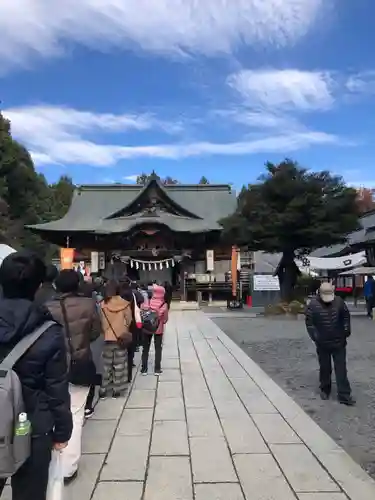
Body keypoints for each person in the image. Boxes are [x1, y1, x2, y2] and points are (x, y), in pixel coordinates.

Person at [0, 251, 72, 500]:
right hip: (32, 425)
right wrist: (62, 430)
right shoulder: (48, 331)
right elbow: (56, 387)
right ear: (39, 286)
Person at [46, 269, 101, 483]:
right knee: (76, 414)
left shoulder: (47, 307)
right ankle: (69, 467)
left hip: (53, 365)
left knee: (53, 412)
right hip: (80, 363)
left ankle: (53, 460)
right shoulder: (88, 305)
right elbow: (96, 332)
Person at [305, 282, 355, 406]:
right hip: (322, 343)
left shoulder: (339, 302)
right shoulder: (313, 305)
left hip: (339, 341)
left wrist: (346, 331)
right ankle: (325, 389)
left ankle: (344, 394)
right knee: (325, 368)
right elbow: (309, 323)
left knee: (341, 369)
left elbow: (345, 317)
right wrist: (316, 337)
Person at [99, 280, 132, 399]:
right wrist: (123, 328)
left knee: (106, 365)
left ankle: (103, 389)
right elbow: (129, 320)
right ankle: (116, 390)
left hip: (107, 338)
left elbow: (100, 322)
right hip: (120, 338)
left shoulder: (102, 304)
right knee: (119, 365)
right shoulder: (125, 304)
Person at [141, 284, 169, 376]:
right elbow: (165, 320)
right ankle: (157, 369)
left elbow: (142, 313)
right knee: (158, 348)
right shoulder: (164, 305)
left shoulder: (147, 302)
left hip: (147, 328)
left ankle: (144, 369)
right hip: (158, 329)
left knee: (145, 348)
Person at [120, 279, 144, 382]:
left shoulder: (118, 296)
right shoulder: (132, 295)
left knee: (121, 352)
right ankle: (129, 376)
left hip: (120, 325)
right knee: (130, 351)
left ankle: (120, 375)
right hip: (132, 325)